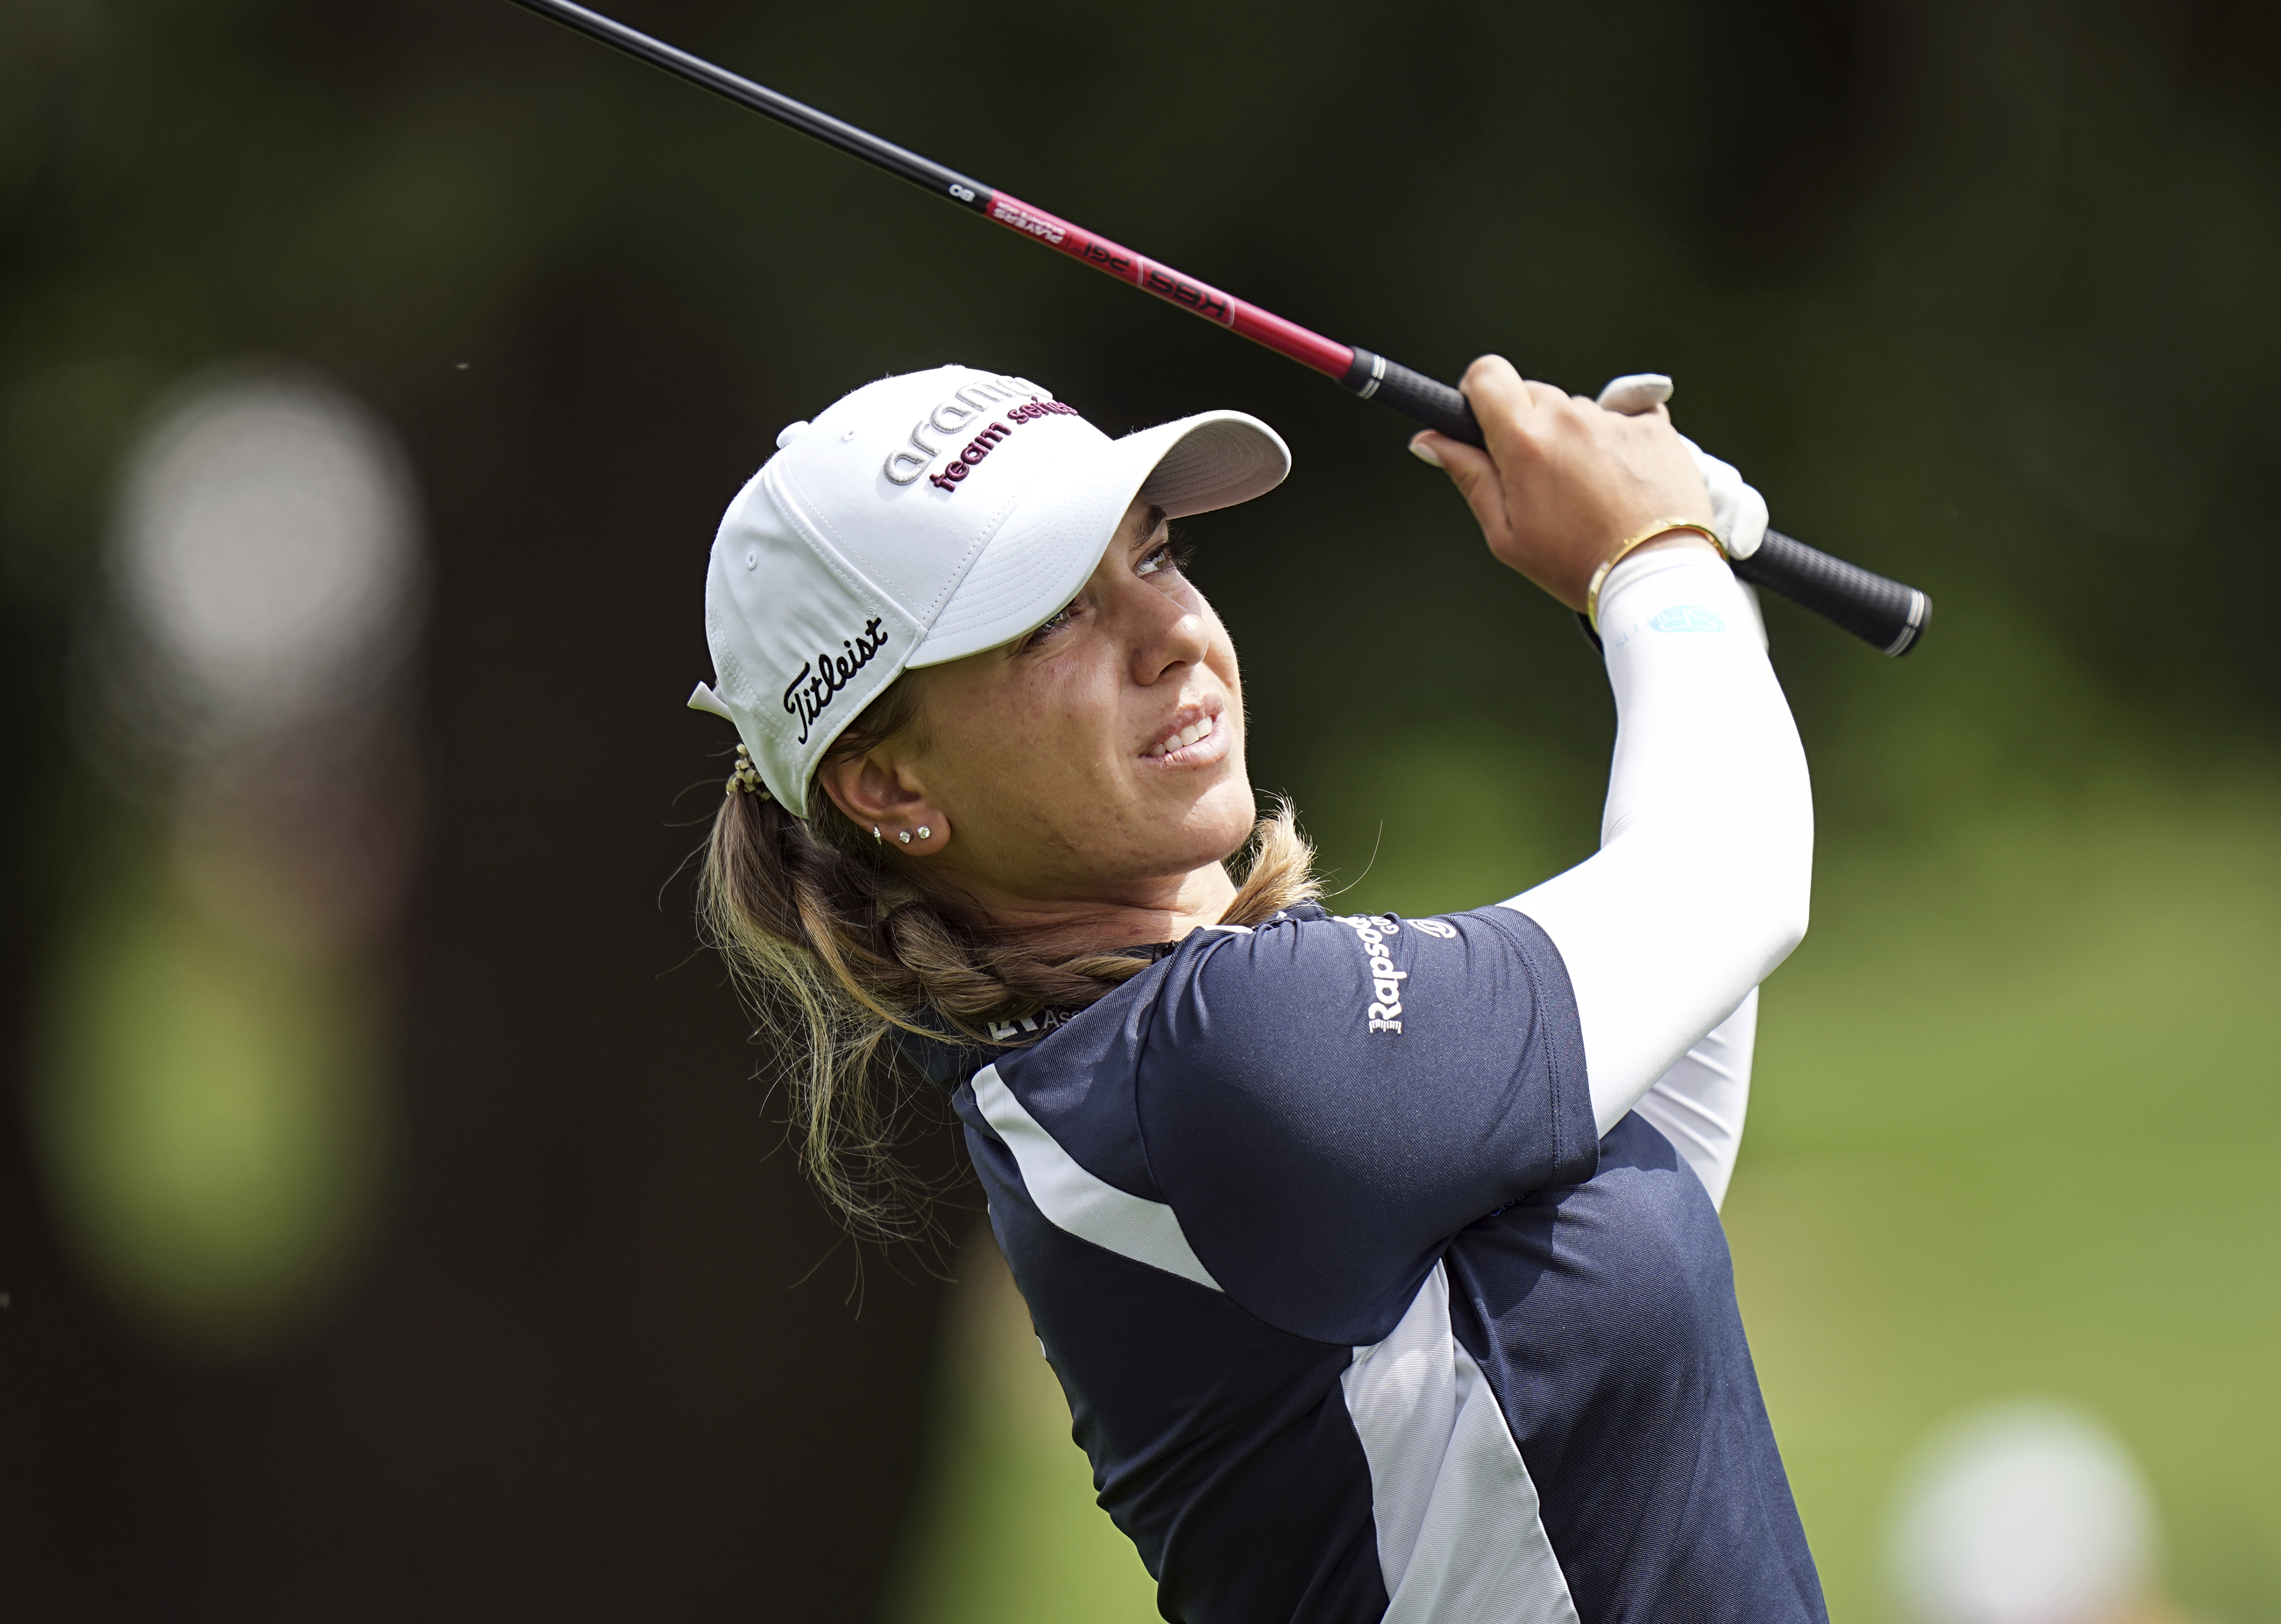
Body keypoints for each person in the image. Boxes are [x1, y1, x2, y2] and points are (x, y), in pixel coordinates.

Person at [687, 357, 1819, 1622]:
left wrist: (1686, 586)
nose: (1168, 633)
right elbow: (1733, 879)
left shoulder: (1117, 1068)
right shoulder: (1219, 1061)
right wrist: (1654, 560)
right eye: (1050, 617)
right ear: (891, 785)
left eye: (1155, 554)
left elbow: (1657, 1120)